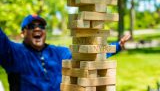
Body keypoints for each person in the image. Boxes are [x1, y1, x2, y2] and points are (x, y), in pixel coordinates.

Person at [0, 14, 130, 91]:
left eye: (41, 26)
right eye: (32, 26)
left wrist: (117, 46)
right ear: (23, 33)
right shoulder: (14, 53)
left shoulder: (57, 52)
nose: (37, 29)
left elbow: (85, 55)